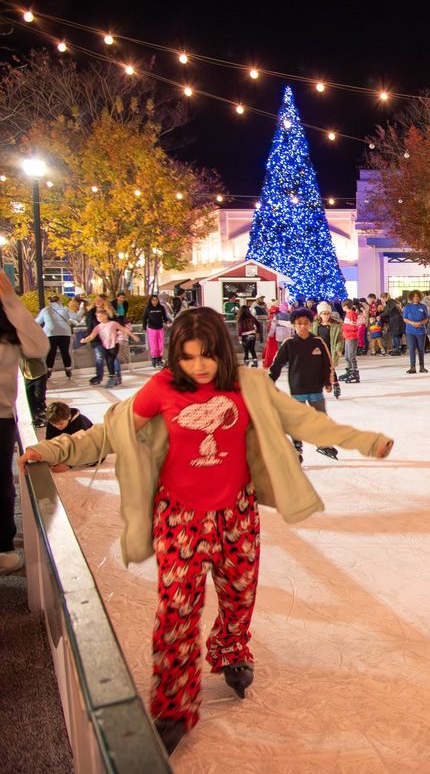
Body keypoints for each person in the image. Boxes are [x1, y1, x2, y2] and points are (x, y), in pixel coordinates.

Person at [20, 308, 393, 753]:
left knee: (239, 594)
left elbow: (305, 420)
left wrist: (365, 441)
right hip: (180, 518)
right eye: (188, 357)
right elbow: (107, 433)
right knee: (177, 608)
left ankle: (232, 649)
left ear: (223, 353)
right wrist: (51, 448)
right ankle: (173, 702)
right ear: (175, 356)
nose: (198, 367)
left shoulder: (248, 386)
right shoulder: (161, 390)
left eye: (208, 357)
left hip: (236, 512)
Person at [0, 274, 51, 575]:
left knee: (1, 483)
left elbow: (38, 346)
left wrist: (10, 300)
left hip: (1, 415)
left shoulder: (9, 321)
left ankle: (3, 544)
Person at [268, 308, 340, 462]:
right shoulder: (289, 343)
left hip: (315, 388)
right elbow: (277, 364)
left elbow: (326, 363)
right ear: (293, 325)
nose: (302, 326)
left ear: (310, 323)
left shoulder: (318, 342)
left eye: (306, 323)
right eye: (299, 323)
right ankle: (297, 447)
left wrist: (328, 381)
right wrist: (270, 381)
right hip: (297, 388)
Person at [80, 308, 138, 388]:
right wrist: (85, 340)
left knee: (110, 361)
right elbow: (91, 336)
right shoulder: (98, 327)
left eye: (101, 316)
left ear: (106, 316)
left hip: (114, 345)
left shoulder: (113, 323)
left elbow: (124, 329)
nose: (99, 318)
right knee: (108, 362)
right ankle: (113, 377)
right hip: (106, 347)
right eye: (98, 317)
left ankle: (112, 378)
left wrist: (133, 336)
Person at [36, 294, 75, 379]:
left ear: (50, 302)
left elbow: (37, 322)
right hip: (65, 333)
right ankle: (68, 371)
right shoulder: (65, 309)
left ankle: (48, 371)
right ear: (59, 301)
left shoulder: (46, 310)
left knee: (51, 352)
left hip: (50, 333)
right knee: (65, 352)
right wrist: (82, 308)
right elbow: (75, 317)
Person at [315, 303, 347, 391]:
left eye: (328, 313)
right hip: (318, 351)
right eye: (324, 313)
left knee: (330, 368)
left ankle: (335, 384)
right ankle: (325, 383)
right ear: (320, 314)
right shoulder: (315, 325)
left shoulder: (335, 326)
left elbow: (340, 339)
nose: (326, 316)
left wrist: (338, 349)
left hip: (330, 350)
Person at [84, 295, 111, 385]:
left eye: (100, 300)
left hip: (108, 338)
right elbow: (89, 325)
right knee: (99, 357)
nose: (97, 302)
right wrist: (90, 337)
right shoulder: (91, 312)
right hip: (96, 339)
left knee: (111, 358)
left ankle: (114, 375)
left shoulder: (109, 311)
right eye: (96, 300)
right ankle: (99, 377)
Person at [402, 290, 429, 374]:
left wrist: (420, 323)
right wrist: (413, 323)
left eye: (417, 296)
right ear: (411, 297)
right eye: (414, 296)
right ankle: (412, 367)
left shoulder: (423, 306)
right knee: (412, 348)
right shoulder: (408, 307)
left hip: (421, 331)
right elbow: (405, 319)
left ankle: (422, 366)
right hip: (410, 331)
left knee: (421, 349)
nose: (416, 298)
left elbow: (426, 318)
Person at [143, 294, 171, 369]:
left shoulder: (161, 307)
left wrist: (167, 322)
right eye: (153, 300)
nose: (155, 301)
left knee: (160, 344)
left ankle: (159, 359)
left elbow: (165, 317)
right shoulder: (148, 308)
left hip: (160, 328)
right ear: (150, 301)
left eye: (156, 300)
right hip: (151, 328)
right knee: (153, 344)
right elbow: (144, 318)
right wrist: (144, 328)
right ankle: (154, 360)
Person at [340, 300, 360, 381]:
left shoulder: (351, 314)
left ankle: (355, 373)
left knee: (351, 356)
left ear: (345, 306)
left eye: (343, 306)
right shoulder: (348, 314)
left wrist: (343, 327)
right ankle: (349, 371)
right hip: (347, 337)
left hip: (352, 337)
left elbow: (354, 327)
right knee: (347, 356)